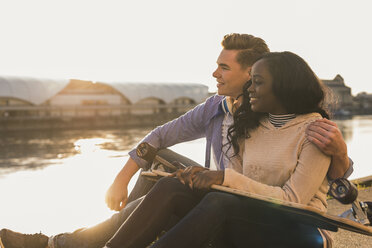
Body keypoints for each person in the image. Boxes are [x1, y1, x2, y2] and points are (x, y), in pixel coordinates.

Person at [0, 34, 352, 248]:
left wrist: (340, 157)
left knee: (211, 202)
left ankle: (66, 244)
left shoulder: (315, 130)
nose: (215, 74)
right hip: (239, 200)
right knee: (163, 182)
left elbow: (306, 191)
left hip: (276, 216)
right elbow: (158, 138)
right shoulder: (235, 116)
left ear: (259, 77)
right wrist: (121, 178)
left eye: (226, 69)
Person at [102, 51, 335, 248]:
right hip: (249, 217)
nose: (250, 89)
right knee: (171, 186)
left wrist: (224, 178)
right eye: (250, 81)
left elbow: (292, 200)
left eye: (258, 82)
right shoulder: (251, 124)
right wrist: (199, 176)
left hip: (299, 230)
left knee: (218, 203)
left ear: (283, 86)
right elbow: (236, 184)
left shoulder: (316, 132)